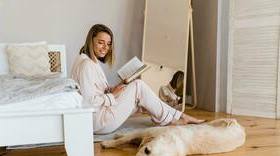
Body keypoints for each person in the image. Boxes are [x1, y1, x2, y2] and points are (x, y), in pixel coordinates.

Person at [71, 24, 204, 134]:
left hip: (100, 116)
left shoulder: (88, 61)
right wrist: (113, 94)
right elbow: (89, 102)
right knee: (138, 86)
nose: (106, 48)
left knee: (139, 92)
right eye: (101, 42)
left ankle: (179, 116)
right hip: (99, 122)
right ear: (91, 41)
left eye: (109, 43)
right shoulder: (86, 65)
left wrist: (117, 87)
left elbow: (97, 91)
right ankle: (172, 119)